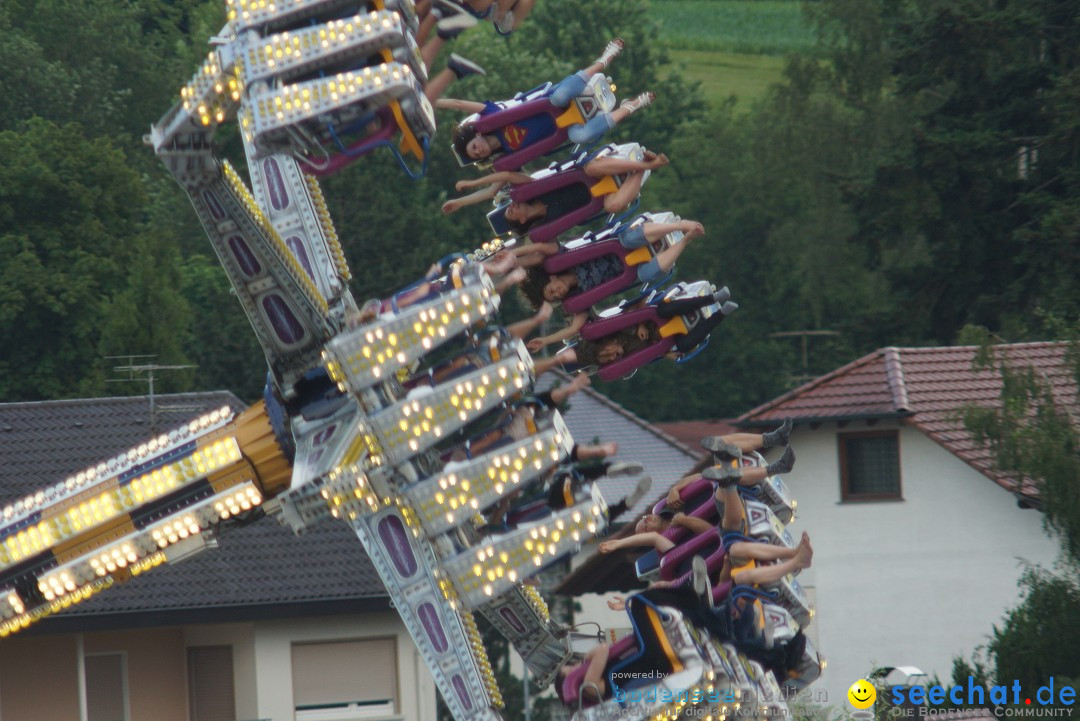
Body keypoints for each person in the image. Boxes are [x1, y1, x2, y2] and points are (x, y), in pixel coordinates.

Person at [438, 39, 655, 162]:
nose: (478, 151)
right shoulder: (508, 155)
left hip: (552, 103)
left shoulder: (490, 118)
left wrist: (433, 101)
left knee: (559, 96)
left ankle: (604, 60)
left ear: (477, 135)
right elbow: (503, 183)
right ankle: (630, 106)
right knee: (581, 136)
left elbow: (459, 103)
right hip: (563, 126)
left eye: (474, 147)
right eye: (476, 155)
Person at [515, 220, 704, 351]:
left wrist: (510, 260)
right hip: (627, 268)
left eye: (552, 290)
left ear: (552, 278)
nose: (558, 293)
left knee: (629, 239)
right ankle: (687, 239)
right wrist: (546, 340)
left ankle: (680, 225)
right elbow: (573, 329)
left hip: (618, 243)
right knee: (648, 274)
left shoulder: (560, 258)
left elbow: (540, 250)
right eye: (556, 297)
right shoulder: (579, 295)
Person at [441, 151, 670, 234]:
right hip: (601, 197)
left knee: (590, 167)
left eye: (508, 208)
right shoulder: (546, 225)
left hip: (592, 173)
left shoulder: (531, 188)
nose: (510, 207)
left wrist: (464, 198)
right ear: (522, 219)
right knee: (612, 206)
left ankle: (648, 165)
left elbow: (506, 177)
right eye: (511, 213)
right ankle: (645, 169)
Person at [550, 286, 737, 370]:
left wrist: (640, 323)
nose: (613, 356)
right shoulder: (628, 360)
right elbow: (651, 356)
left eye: (607, 353)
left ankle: (712, 299)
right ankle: (720, 315)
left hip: (654, 315)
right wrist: (666, 354)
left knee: (664, 309)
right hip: (664, 337)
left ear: (604, 345)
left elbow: (638, 302)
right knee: (683, 346)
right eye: (610, 359)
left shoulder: (611, 324)